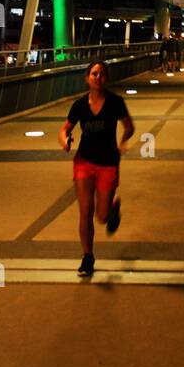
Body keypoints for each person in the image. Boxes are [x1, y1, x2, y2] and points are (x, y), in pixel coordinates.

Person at [59, 60, 134, 277]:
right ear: (87, 78)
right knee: (85, 211)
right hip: (84, 161)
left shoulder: (115, 102)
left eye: (101, 74)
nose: (97, 77)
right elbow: (65, 129)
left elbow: (129, 127)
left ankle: (112, 210)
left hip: (108, 163)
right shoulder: (80, 105)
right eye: (94, 74)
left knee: (101, 217)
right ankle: (87, 257)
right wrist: (64, 141)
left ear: (106, 78)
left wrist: (123, 141)